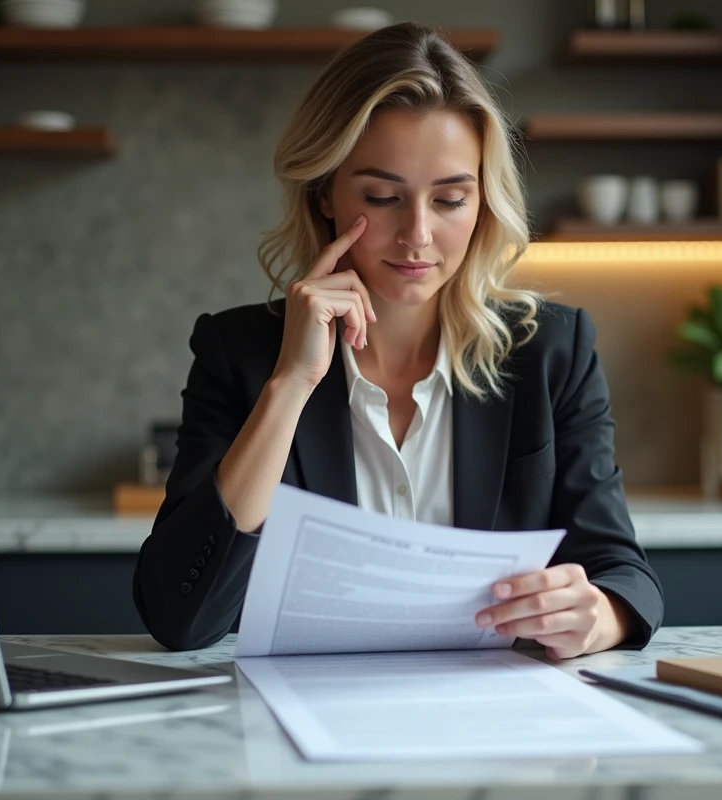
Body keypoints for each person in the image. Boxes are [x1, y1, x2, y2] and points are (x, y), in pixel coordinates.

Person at [133, 22, 663, 658]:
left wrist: (597, 617)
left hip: (490, 729)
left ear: (483, 203)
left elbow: (624, 572)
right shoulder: (239, 353)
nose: (417, 235)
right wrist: (289, 387)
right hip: (302, 728)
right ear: (324, 192)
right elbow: (179, 617)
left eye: (449, 200)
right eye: (383, 197)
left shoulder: (552, 351)